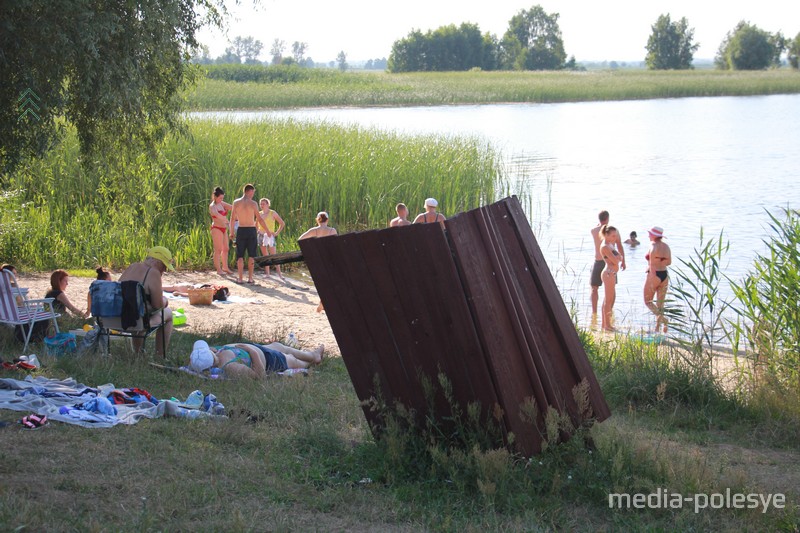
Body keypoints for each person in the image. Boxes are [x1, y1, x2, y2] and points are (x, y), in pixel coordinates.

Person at [118, 246, 175, 357]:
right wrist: (165, 301)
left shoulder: (132, 267)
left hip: (117, 319)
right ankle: (160, 355)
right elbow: (157, 305)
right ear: (156, 261)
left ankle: (138, 354)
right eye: (164, 265)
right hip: (137, 322)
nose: (165, 270)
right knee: (168, 313)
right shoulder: (153, 273)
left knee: (136, 309)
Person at [190, 339, 324, 380]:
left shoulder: (215, 355)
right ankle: (311, 361)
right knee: (291, 359)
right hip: (268, 360)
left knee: (279, 346)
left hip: (261, 350)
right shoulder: (230, 366)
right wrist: (252, 352)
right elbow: (259, 376)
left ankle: (313, 355)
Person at [230, 184, 269, 285]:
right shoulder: (253, 203)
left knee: (240, 255)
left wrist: (231, 232)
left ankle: (240, 278)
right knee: (251, 255)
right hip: (251, 230)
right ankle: (250, 278)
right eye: (253, 192)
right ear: (249, 191)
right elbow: (259, 219)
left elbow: (232, 219)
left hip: (241, 230)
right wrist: (267, 230)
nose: (253, 194)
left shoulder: (236, 202)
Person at [299, 212, 337, 312]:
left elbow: (300, 239)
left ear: (317, 220)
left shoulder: (314, 230)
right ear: (327, 220)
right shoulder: (332, 231)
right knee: (329, 282)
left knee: (321, 281)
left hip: (317, 258)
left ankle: (322, 301)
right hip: (329, 258)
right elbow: (336, 245)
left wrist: (311, 249)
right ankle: (323, 302)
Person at [590, 210, 625, 316]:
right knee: (612, 288)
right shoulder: (614, 232)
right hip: (610, 262)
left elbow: (599, 228)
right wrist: (623, 261)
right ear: (608, 218)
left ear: (599, 219)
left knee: (594, 288)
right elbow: (619, 245)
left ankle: (594, 313)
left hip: (598, 261)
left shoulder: (593, 230)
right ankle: (609, 311)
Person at [644, 226, 672, 333]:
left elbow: (651, 263)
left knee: (648, 301)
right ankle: (657, 328)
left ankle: (664, 320)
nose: (648, 235)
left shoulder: (652, 245)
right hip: (664, 274)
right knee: (660, 303)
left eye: (650, 234)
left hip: (654, 274)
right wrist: (661, 261)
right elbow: (669, 262)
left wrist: (653, 269)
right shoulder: (666, 247)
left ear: (654, 236)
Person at [599, 225, 622, 332]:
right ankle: (607, 325)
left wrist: (618, 257)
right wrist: (617, 258)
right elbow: (615, 260)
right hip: (608, 273)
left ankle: (605, 324)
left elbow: (620, 257)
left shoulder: (610, 245)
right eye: (613, 236)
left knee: (608, 299)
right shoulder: (604, 246)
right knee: (608, 300)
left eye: (615, 236)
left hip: (612, 273)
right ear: (606, 235)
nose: (614, 238)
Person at [257, 198, 286, 279]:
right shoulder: (259, 213)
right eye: (261, 204)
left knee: (274, 255)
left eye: (263, 204)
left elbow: (282, 223)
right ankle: (267, 274)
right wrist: (257, 231)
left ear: (268, 204)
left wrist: (276, 233)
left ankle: (280, 274)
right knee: (265, 255)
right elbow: (256, 224)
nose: (262, 205)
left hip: (270, 236)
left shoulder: (272, 213)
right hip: (261, 235)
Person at [209, 187, 233, 276]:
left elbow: (232, 207)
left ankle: (225, 267)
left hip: (224, 228)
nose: (221, 200)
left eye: (222, 198)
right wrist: (226, 220)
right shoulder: (212, 206)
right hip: (216, 228)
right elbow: (217, 215)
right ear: (215, 197)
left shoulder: (222, 203)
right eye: (220, 198)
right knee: (218, 250)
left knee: (226, 248)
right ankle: (218, 269)